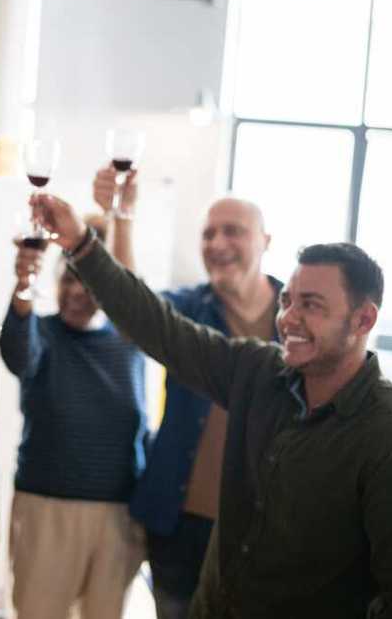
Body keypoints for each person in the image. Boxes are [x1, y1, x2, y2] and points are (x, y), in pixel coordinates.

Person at [29, 192, 392, 619]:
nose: (288, 318)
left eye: (311, 305)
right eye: (288, 300)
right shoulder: (259, 372)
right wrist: (83, 243)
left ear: (364, 320)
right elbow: (158, 327)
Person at [91, 169, 281, 619]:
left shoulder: (296, 320)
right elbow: (130, 311)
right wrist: (122, 218)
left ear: (266, 240)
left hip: (263, 528)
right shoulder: (190, 310)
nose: (217, 243)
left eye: (232, 231)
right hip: (181, 526)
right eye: (208, 234)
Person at [0, 211, 147, 619]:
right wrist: (23, 284)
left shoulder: (128, 344)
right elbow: (16, 354)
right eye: (68, 278)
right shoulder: (42, 334)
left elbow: (133, 298)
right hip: (48, 510)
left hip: (118, 516)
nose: (77, 291)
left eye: (88, 281)